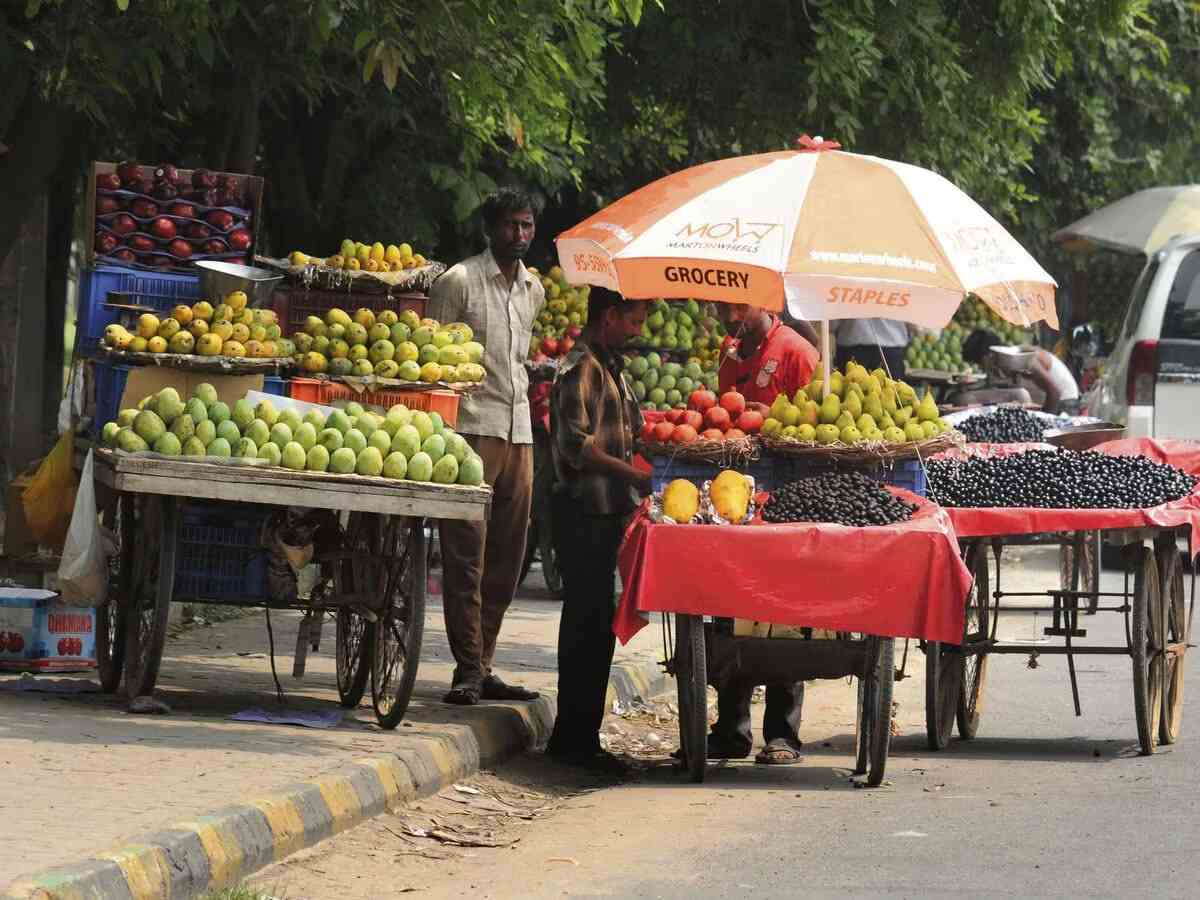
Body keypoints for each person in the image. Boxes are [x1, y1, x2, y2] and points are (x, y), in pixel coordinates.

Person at [427, 188, 545, 705]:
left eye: (526, 225)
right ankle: (467, 668)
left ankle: (486, 661)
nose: (519, 235)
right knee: (465, 555)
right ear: (490, 229)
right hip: (472, 429)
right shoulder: (458, 282)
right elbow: (431, 356)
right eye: (511, 226)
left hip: (519, 431)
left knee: (509, 555)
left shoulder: (534, 289)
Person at [544, 288, 650, 772]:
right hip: (582, 512)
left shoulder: (610, 367)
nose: (639, 330)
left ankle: (581, 737)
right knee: (585, 624)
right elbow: (576, 446)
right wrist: (634, 476)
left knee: (596, 624)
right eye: (634, 319)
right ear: (609, 316)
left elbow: (630, 431)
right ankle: (573, 741)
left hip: (607, 513)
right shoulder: (580, 368)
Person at [710, 301, 819, 765]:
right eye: (720, 305)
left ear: (765, 301)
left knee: (785, 612)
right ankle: (731, 729)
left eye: (737, 304)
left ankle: (783, 733)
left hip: (788, 503)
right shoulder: (729, 352)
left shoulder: (796, 351)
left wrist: (771, 418)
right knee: (730, 607)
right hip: (738, 504)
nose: (728, 314)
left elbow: (817, 425)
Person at [962, 329, 1080, 414]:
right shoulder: (1006, 361)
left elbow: (1054, 391)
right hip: (1055, 398)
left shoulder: (1021, 358)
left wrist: (1045, 420)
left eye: (980, 363)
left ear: (988, 356)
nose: (982, 368)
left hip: (1066, 401)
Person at [833, 318, 910, 379]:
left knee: (848, 392)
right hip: (891, 344)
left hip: (852, 342)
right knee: (893, 392)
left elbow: (833, 322)